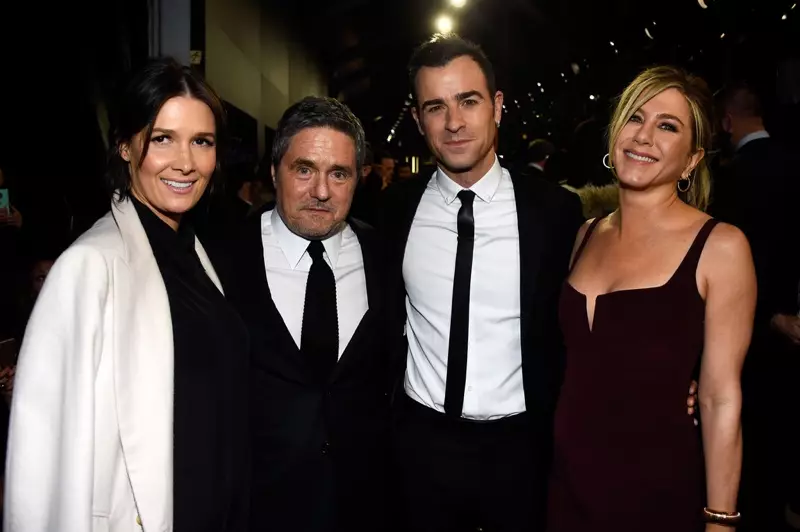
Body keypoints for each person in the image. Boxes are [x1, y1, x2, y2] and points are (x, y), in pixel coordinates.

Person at [4, 57, 250, 532]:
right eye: (163, 139)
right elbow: (43, 456)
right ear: (124, 145)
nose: (185, 162)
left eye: (202, 142)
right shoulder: (90, 267)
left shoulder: (198, 255)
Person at [381, 33, 585, 532]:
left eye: (468, 101)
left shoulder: (555, 212)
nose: (453, 123)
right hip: (420, 445)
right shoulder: (392, 211)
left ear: (496, 106)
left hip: (520, 449)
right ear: (417, 120)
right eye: (435, 107)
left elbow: (590, 315)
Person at [547, 66, 756, 531]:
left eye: (667, 126)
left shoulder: (720, 247)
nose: (644, 136)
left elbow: (722, 398)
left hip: (656, 492)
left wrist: (720, 520)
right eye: (635, 118)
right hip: (566, 488)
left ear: (691, 160)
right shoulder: (585, 235)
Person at [211, 97, 392, 532]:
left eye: (339, 173)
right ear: (275, 172)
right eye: (304, 169)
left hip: (362, 507)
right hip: (255, 509)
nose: (322, 191)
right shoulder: (220, 258)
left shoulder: (385, 256)